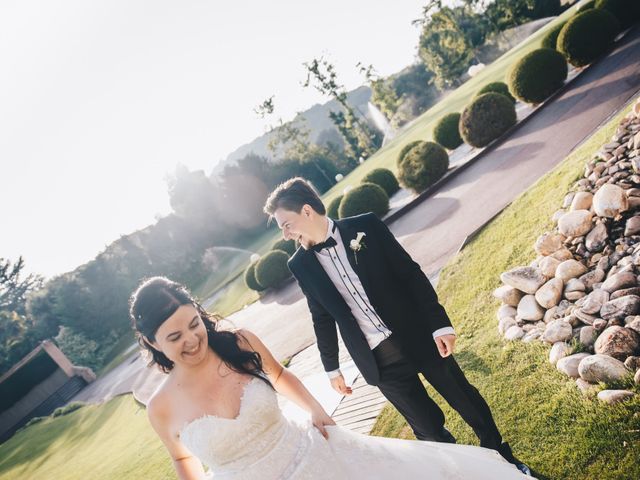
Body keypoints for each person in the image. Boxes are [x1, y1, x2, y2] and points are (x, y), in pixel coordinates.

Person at [130, 276, 531, 479]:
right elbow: (182, 458)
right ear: (152, 342)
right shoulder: (161, 408)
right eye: (175, 336)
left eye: (194, 324)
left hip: (317, 461)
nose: (192, 339)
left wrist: (317, 410)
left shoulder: (239, 343)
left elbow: (280, 373)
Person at [263, 177, 531, 476]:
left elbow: (410, 274)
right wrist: (332, 368)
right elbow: (321, 316)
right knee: (428, 431)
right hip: (378, 359)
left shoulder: (366, 226)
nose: (285, 234)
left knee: (464, 400)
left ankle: (505, 463)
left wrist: (440, 324)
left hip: (417, 335)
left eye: (286, 224)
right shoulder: (299, 264)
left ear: (307, 211)